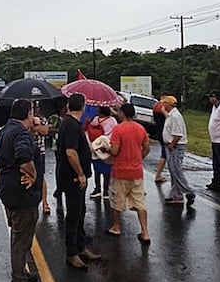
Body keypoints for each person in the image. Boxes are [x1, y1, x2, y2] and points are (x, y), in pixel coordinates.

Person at [0, 98, 46, 282]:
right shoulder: (20, 133)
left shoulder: (5, 130)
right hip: (22, 195)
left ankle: (22, 275)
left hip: (9, 191)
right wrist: (32, 175)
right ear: (28, 114)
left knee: (20, 237)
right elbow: (24, 155)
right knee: (20, 240)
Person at [57, 93, 102, 269]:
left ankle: (81, 246)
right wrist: (81, 173)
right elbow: (70, 152)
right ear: (83, 107)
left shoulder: (74, 124)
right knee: (74, 214)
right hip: (72, 177)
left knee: (80, 211)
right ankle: (71, 253)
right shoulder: (70, 125)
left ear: (69, 105)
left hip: (76, 176)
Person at [106, 103, 151, 242]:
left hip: (120, 170)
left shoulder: (118, 129)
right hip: (136, 171)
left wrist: (106, 148)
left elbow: (114, 151)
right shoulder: (140, 128)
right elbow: (147, 148)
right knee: (140, 202)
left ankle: (116, 226)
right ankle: (145, 231)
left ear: (123, 114)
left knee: (117, 200)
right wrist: (139, 158)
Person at [161, 96, 195, 206]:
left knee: (176, 171)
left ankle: (189, 191)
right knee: (173, 171)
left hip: (175, 147)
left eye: (164, 103)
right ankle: (177, 195)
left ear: (170, 104)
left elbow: (178, 134)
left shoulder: (175, 116)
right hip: (171, 145)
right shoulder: (171, 115)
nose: (163, 105)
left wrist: (172, 144)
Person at [87, 106, 117, 199]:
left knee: (97, 170)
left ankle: (98, 189)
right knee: (106, 170)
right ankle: (105, 190)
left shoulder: (95, 119)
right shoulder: (112, 120)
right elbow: (115, 132)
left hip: (96, 147)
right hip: (106, 147)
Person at [152, 93, 169, 183]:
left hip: (158, 131)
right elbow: (167, 116)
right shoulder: (161, 106)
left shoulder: (155, 105)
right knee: (164, 154)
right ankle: (158, 175)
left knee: (164, 153)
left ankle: (158, 174)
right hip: (164, 132)